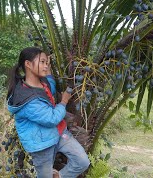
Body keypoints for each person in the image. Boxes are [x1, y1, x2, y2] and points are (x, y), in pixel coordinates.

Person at [7, 47, 90, 178]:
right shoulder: (26, 99)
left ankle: (59, 176)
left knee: (82, 161)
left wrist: (47, 67)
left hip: (59, 134)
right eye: (42, 62)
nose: (45, 66)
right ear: (28, 64)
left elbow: (50, 83)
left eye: (47, 63)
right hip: (42, 145)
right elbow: (51, 119)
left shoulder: (43, 83)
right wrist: (63, 101)